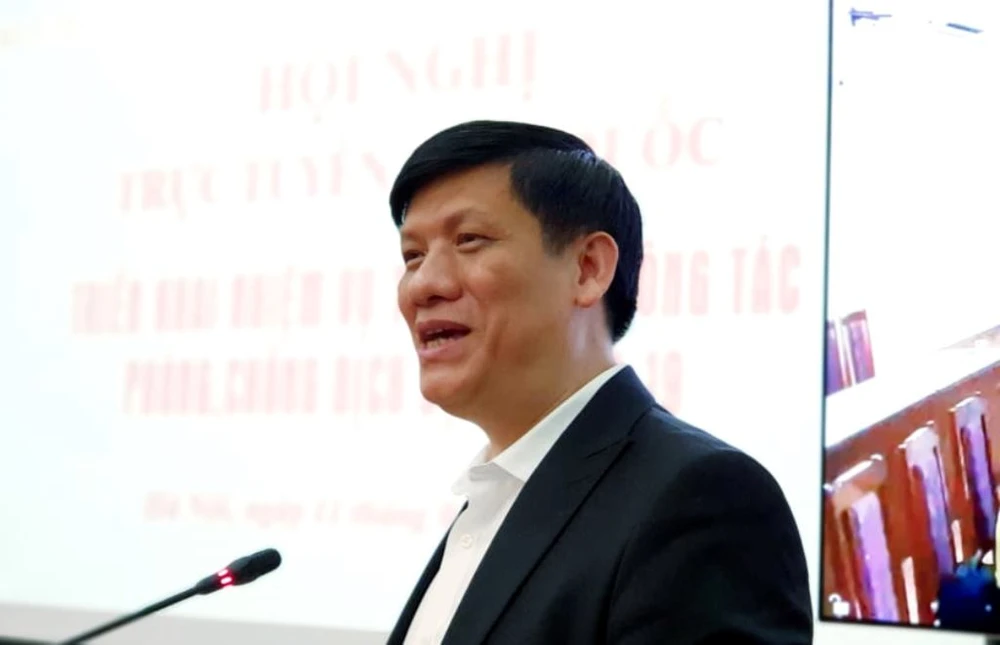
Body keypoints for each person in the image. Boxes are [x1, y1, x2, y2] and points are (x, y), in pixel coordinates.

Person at [385, 120, 813, 645]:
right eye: (412, 256)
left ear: (588, 268)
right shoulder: (493, 498)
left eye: (469, 240)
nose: (423, 285)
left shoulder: (703, 498)